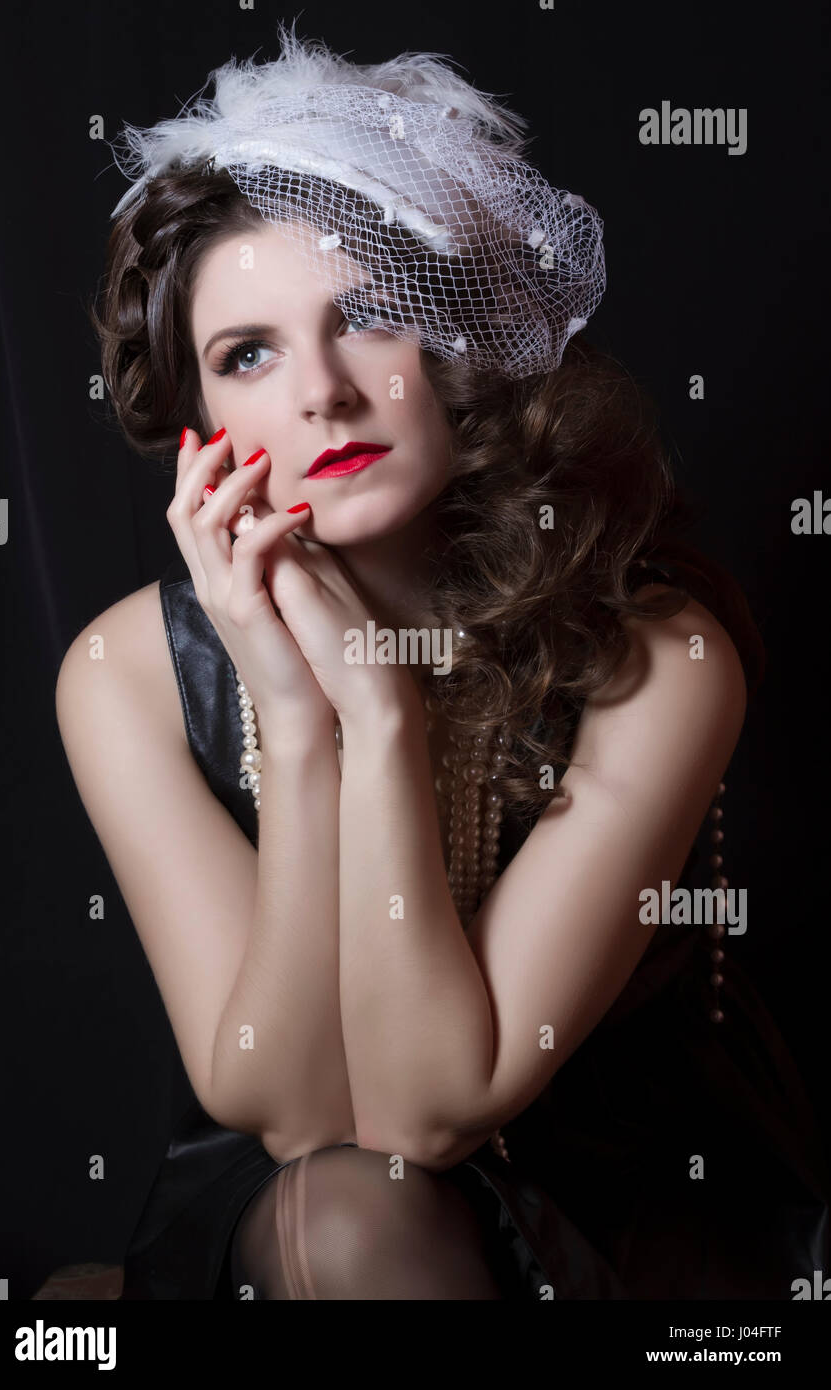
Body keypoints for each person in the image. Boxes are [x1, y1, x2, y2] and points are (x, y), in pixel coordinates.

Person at [55, 22, 829, 1299]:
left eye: (363, 319)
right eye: (246, 354)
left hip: (619, 1193)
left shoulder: (656, 652)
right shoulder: (123, 673)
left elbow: (428, 1112)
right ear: (199, 427)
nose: (320, 394)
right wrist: (302, 723)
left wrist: (383, 709)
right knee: (346, 1213)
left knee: (375, 1208)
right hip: (309, 1205)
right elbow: (299, 1115)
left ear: (458, 337)